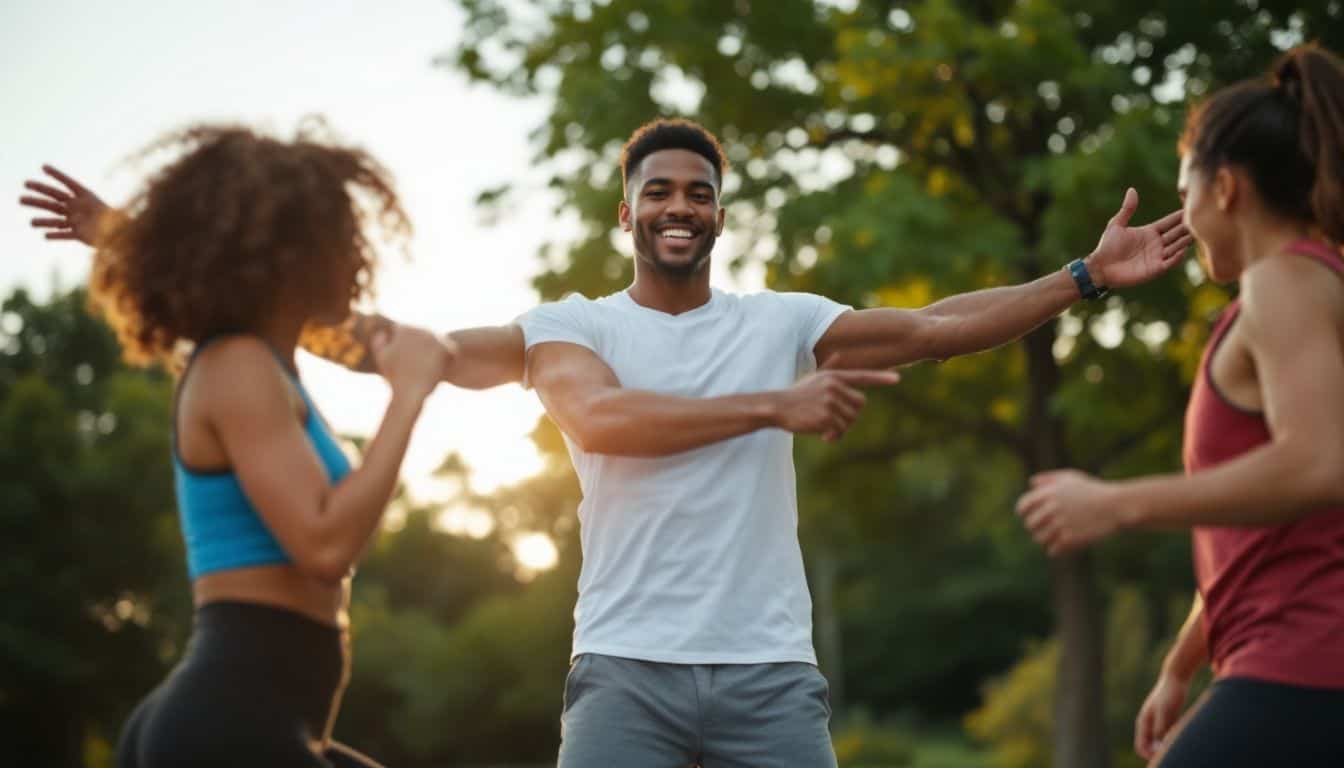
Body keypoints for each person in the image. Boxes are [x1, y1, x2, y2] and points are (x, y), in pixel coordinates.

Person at [25, 118, 1189, 767]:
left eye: (701, 191)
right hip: (622, 677)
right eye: (659, 191)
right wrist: (142, 241)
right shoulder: (565, 331)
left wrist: (1085, 275)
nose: (681, 205)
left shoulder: (784, 322)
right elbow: (375, 341)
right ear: (625, 214)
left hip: (770, 680)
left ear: (720, 214)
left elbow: (938, 328)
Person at [25, 125, 453, 767]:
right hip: (225, 724)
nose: (357, 258)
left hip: (262, 720)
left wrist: (131, 239)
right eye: (338, 240)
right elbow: (325, 546)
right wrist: (407, 398)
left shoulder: (267, 360)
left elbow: (361, 340)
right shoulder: (238, 367)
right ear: (285, 257)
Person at [1014, 44, 1344, 767]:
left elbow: (1319, 465)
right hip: (1282, 665)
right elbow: (1263, 529)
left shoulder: (1285, 282)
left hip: (1308, 667)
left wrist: (1117, 503)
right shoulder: (1307, 287)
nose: (1184, 218)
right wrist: (1180, 663)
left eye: (1184, 190)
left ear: (1224, 188)